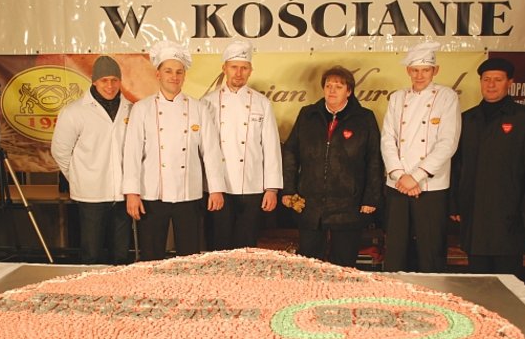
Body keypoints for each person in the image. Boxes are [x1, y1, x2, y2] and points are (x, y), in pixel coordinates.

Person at [123, 41, 226, 261]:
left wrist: (216, 189)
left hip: (189, 192)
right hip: (152, 193)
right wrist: (132, 193)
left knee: (189, 256)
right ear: (158, 74)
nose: (174, 76)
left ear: (184, 76)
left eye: (179, 72)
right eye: (168, 71)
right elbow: (132, 154)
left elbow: (211, 152)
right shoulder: (142, 109)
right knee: (151, 256)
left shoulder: (199, 108)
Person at [450, 57, 525, 275]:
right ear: (480, 82)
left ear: (510, 82)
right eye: (486, 79)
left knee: (507, 280)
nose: (491, 85)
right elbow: (457, 166)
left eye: (498, 79)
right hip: (474, 214)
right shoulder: (467, 119)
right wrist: (454, 203)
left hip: (510, 215)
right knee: (477, 280)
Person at [282, 65, 383, 267]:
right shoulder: (307, 115)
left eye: (338, 86)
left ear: (349, 91)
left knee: (344, 264)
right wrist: (289, 190)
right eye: (328, 86)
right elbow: (291, 153)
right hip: (310, 203)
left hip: (349, 204)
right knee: (309, 264)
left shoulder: (364, 118)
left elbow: (374, 160)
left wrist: (371, 197)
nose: (332, 90)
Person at [380, 42, 461, 272]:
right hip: (398, 185)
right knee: (395, 248)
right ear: (408, 71)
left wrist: (415, 176)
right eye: (415, 70)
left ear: (435, 70)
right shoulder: (397, 97)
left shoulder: (447, 97)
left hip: (431, 186)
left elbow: (448, 143)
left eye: (426, 70)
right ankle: (394, 289)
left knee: (431, 249)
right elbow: (388, 139)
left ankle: (432, 292)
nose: (420, 75)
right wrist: (400, 175)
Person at [201, 40, 283, 250]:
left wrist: (271, 189)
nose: (239, 73)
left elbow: (271, 148)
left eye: (244, 68)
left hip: (252, 186)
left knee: (247, 247)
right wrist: (209, 186)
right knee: (219, 245)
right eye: (234, 67)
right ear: (224, 68)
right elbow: (203, 148)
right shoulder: (207, 103)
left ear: (250, 71)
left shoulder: (262, 103)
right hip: (218, 187)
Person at [51, 55, 132, 264]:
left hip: (123, 193)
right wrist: (78, 177)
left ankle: (121, 285)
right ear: (94, 81)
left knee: (121, 254)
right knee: (92, 253)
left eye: (114, 80)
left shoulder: (131, 109)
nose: (110, 86)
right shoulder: (74, 112)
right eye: (104, 80)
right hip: (91, 195)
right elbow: (60, 151)